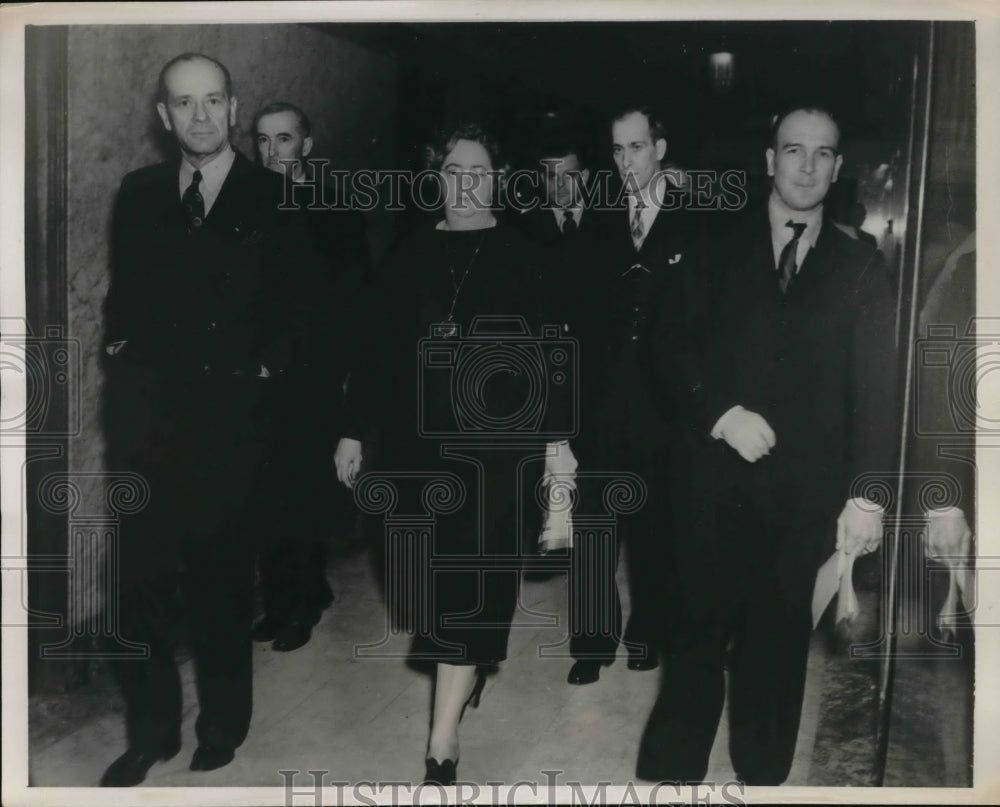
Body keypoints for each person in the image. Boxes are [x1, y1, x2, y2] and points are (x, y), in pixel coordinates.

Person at [636, 104, 899, 785]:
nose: (807, 165)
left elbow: (878, 390)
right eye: (793, 150)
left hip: (802, 499)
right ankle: (671, 778)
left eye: (822, 154)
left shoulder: (863, 268)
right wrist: (720, 413)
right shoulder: (711, 247)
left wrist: (867, 496)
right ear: (769, 160)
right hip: (705, 485)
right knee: (692, 642)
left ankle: (761, 779)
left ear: (838, 167)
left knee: (776, 652)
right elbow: (667, 347)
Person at [100, 53, 321, 785]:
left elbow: (300, 312)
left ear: (233, 110)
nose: (199, 116)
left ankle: (222, 725)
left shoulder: (275, 196)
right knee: (135, 587)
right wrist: (120, 355)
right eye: (183, 103)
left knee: (220, 585)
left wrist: (265, 369)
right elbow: (123, 299)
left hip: (230, 427)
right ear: (164, 117)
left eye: (213, 101)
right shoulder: (138, 193)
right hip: (147, 427)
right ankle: (151, 731)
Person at [334, 122, 574, 785]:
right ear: (437, 177)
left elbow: (554, 357)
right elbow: (375, 355)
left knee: (472, 583)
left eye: (479, 170)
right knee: (428, 586)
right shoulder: (406, 256)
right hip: (416, 450)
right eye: (453, 170)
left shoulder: (528, 255)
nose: (465, 183)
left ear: (498, 179)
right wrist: (354, 430)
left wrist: (556, 442)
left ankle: (442, 739)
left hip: (497, 452)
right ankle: (466, 672)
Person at [563, 105, 704, 686]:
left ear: (660, 149)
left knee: (655, 528)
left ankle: (649, 630)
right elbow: (576, 318)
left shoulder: (696, 223)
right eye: (617, 150)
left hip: (664, 405)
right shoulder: (595, 222)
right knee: (594, 525)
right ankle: (592, 642)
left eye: (636, 148)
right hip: (601, 402)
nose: (625, 162)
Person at [248, 101, 370, 652]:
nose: (273, 152)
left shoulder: (334, 209)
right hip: (255, 376)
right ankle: (300, 592)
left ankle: (295, 606)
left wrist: (343, 373)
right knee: (266, 491)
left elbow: (353, 298)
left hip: (312, 373)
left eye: (284, 139)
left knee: (298, 490)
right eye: (263, 140)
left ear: (307, 145)